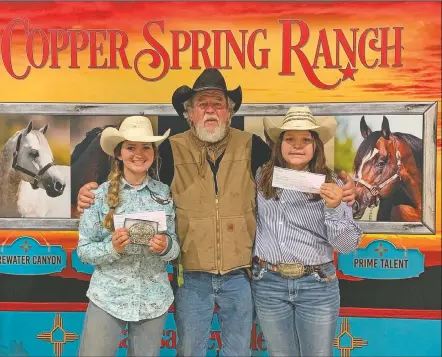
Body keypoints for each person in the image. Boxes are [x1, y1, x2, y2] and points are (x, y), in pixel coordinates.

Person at [76, 69, 357, 356]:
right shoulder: (169, 151)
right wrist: (90, 193)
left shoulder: (253, 147)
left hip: (242, 278)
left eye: (218, 104)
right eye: (202, 104)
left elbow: (296, 172)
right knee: (190, 352)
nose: (210, 110)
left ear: (229, 112)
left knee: (238, 352)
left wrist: (346, 189)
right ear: (189, 113)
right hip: (191, 278)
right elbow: (133, 177)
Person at [251, 106, 363, 357]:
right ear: (279, 144)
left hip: (316, 285)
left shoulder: (333, 185)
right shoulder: (260, 177)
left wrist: (334, 208)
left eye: (305, 140)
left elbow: (347, 245)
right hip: (268, 283)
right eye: (289, 138)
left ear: (316, 147)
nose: (297, 146)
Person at [77, 116, 180, 357]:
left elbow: (175, 248)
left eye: (146, 147)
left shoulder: (164, 193)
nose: (139, 153)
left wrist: (165, 246)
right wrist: (112, 247)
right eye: (130, 147)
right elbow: (83, 251)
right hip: (108, 297)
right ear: (119, 154)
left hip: (153, 299)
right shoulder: (97, 195)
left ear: (153, 153)